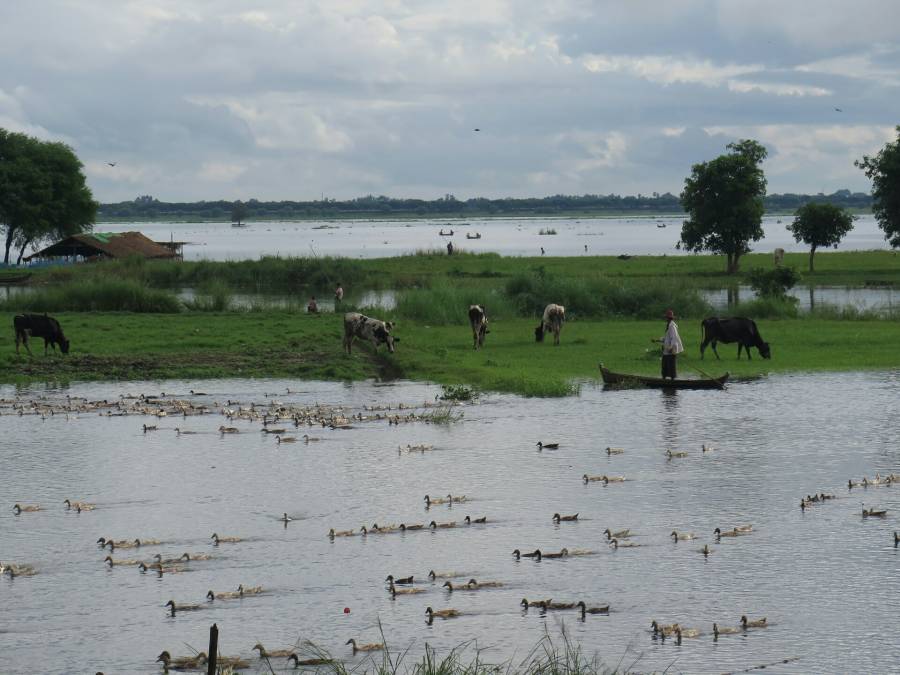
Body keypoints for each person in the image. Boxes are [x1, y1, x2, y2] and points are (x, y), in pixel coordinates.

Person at [658, 309, 683, 379]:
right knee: (664, 366)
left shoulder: (672, 326)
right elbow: (667, 337)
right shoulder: (669, 325)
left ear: (669, 318)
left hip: (671, 350)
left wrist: (671, 348)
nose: (666, 319)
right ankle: (664, 379)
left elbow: (674, 338)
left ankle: (672, 381)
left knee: (671, 367)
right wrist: (658, 340)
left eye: (667, 318)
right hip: (667, 350)